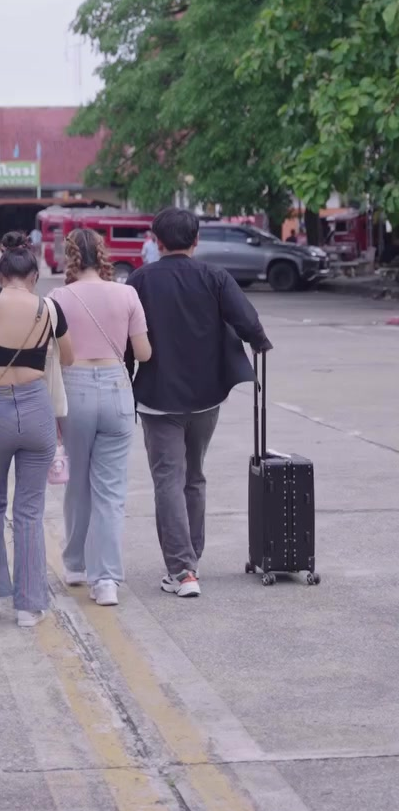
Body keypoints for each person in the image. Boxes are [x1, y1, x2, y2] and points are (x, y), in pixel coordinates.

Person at [127, 208, 272, 599]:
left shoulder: (140, 280)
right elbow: (248, 321)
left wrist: (125, 383)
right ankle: (192, 560)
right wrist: (260, 343)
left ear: (157, 241)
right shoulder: (215, 277)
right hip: (207, 397)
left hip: (157, 398)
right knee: (194, 476)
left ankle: (182, 570)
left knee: (168, 480)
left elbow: (126, 338)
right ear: (195, 241)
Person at [0, 232, 74, 627]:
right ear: (34, 275)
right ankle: (29, 607)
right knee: (29, 510)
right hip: (36, 409)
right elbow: (69, 357)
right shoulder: (50, 308)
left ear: (1, 273)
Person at [50, 229, 151, 606]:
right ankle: (106, 580)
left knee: (77, 480)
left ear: (71, 257)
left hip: (73, 388)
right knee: (109, 490)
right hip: (115, 388)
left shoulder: (57, 298)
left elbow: (50, 354)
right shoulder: (127, 294)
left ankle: (76, 565)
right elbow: (143, 353)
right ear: (103, 254)